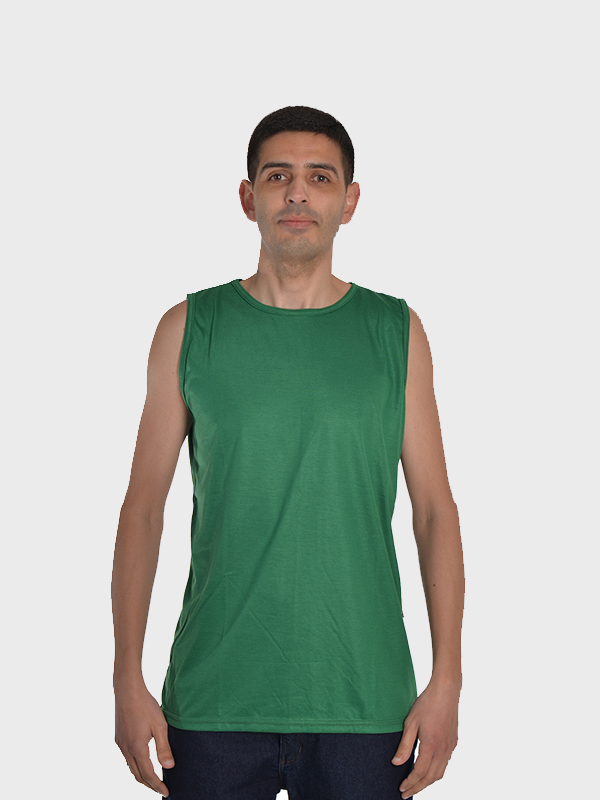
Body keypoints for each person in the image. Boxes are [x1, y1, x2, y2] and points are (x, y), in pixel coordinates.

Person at [112, 105, 465, 800]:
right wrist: (126, 677)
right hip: (213, 701)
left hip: (366, 703)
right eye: (278, 176)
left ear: (349, 202)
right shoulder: (189, 328)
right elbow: (143, 510)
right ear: (249, 198)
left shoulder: (396, 331)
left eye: (319, 177)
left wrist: (448, 679)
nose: (297, 193)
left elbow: (433, 511)